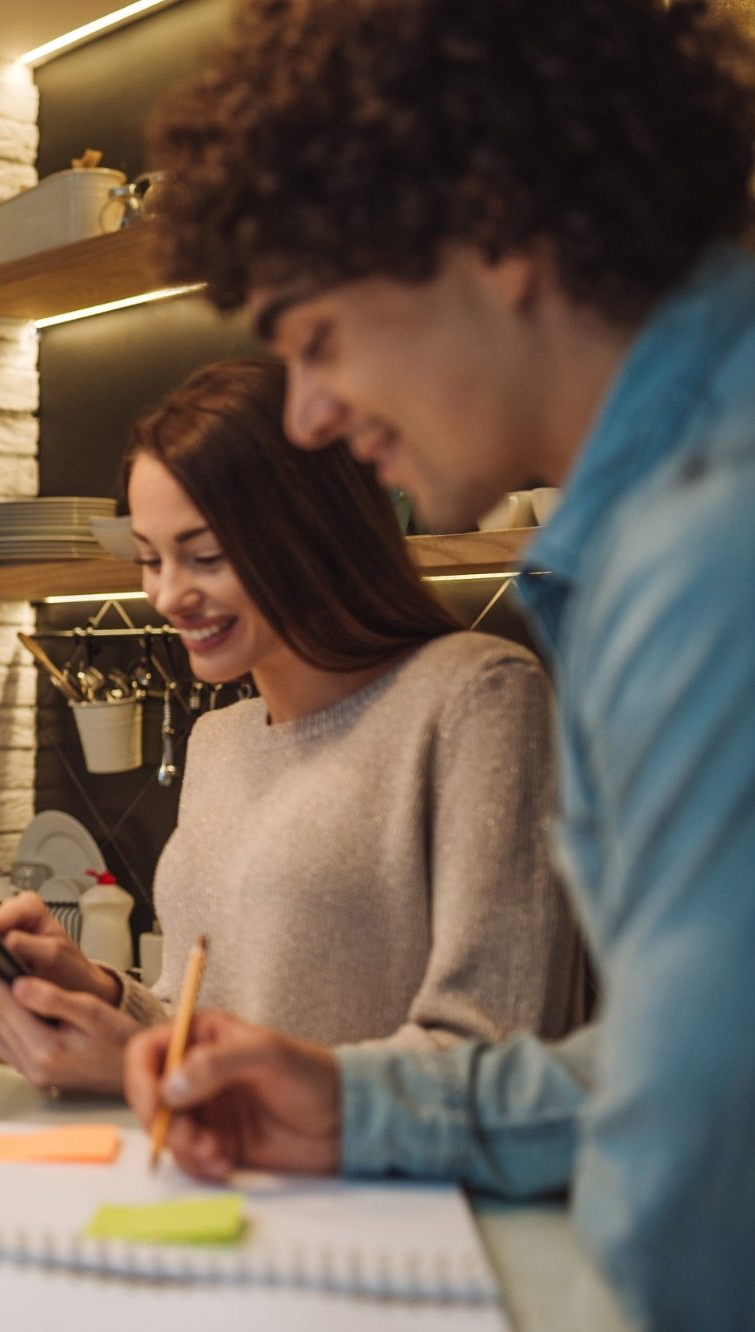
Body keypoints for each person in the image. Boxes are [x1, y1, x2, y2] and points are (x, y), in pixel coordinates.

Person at [113, 3, 755, 1327]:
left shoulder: (707, 553)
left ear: (495, 227)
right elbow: (677, 1078)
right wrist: (353, 1103)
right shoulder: (653, 537)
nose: (309, 413)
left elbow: (699, 1205)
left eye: (319, 334)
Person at [0, 359, 580, 1095]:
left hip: (397, 1205)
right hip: (227, 1183)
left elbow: (495, 1053)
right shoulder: (221, 739)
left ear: (311, 530)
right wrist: (98, 992)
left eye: (205, 555)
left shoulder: (479, 697)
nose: (167, 594)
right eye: (150, 559)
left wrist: (145, 1068)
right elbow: (204, 1022)